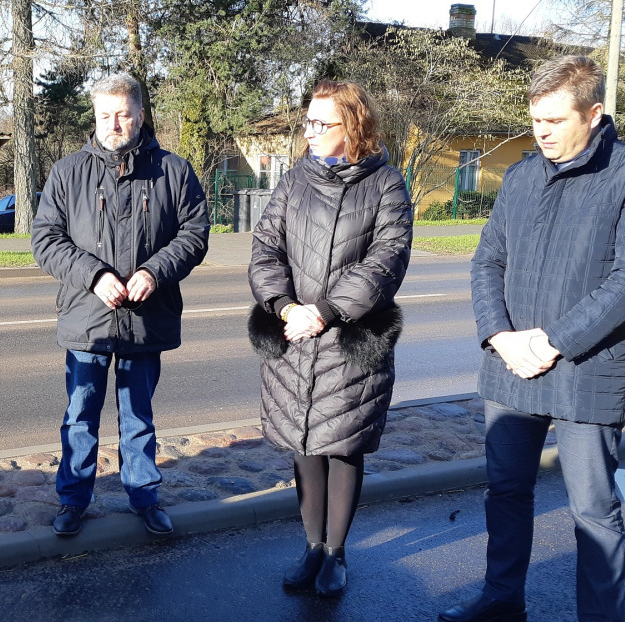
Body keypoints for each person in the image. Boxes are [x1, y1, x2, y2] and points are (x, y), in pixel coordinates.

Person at [440, 55, 625, 622]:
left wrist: (551, 342)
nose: (541, 132)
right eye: (534, 120)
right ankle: (501, 602)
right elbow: (487, 261)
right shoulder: (521, 176)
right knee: (505, 493)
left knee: (593, 511)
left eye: (554, 120)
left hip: (587, 370)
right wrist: (499, 335)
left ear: (593, 114)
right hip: (510, 366)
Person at [247, 80, 413, 598]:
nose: (310, 132)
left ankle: (336, 553)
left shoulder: (386, 183)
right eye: (309, 122)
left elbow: (386, 261)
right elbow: (265, 247)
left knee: (343, 446)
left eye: (322, 123)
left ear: (353, 126)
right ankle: (311, 547)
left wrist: (324, 312)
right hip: (294, 334)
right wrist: (284, 306)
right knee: (303, 443)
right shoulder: (295, 179)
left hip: (348, 339)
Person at [32, 73, 210, 537]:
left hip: (146, 316)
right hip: (87, 318)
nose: (114, 124)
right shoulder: (67, 172)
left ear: (140, 115)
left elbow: (194, 235)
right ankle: (73, 499)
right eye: (105, 115)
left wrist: (154, 271)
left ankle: (144, 496)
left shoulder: (174, 171)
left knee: (138, 417)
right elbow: (45, 239)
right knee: (79, 417)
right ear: (94, 116)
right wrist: (94, 276)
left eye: (123, 115)